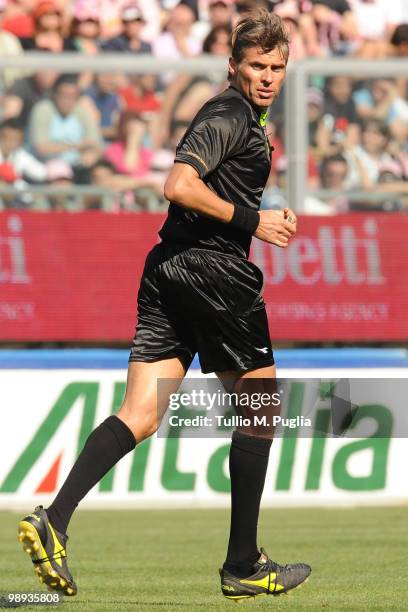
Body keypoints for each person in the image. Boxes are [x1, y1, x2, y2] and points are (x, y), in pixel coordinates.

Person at [17, 8, 311, 603]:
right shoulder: (228, 112)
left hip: (169, 268)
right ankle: (242, 563)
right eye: (257, 65)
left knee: (142, 413)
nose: (267, 76)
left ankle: (55, 520)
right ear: (233, 67)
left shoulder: (243, 118)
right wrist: (255, 220)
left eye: (277, 66)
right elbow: (177, 184)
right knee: (260, 407)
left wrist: (257, 215)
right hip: (212, 271)